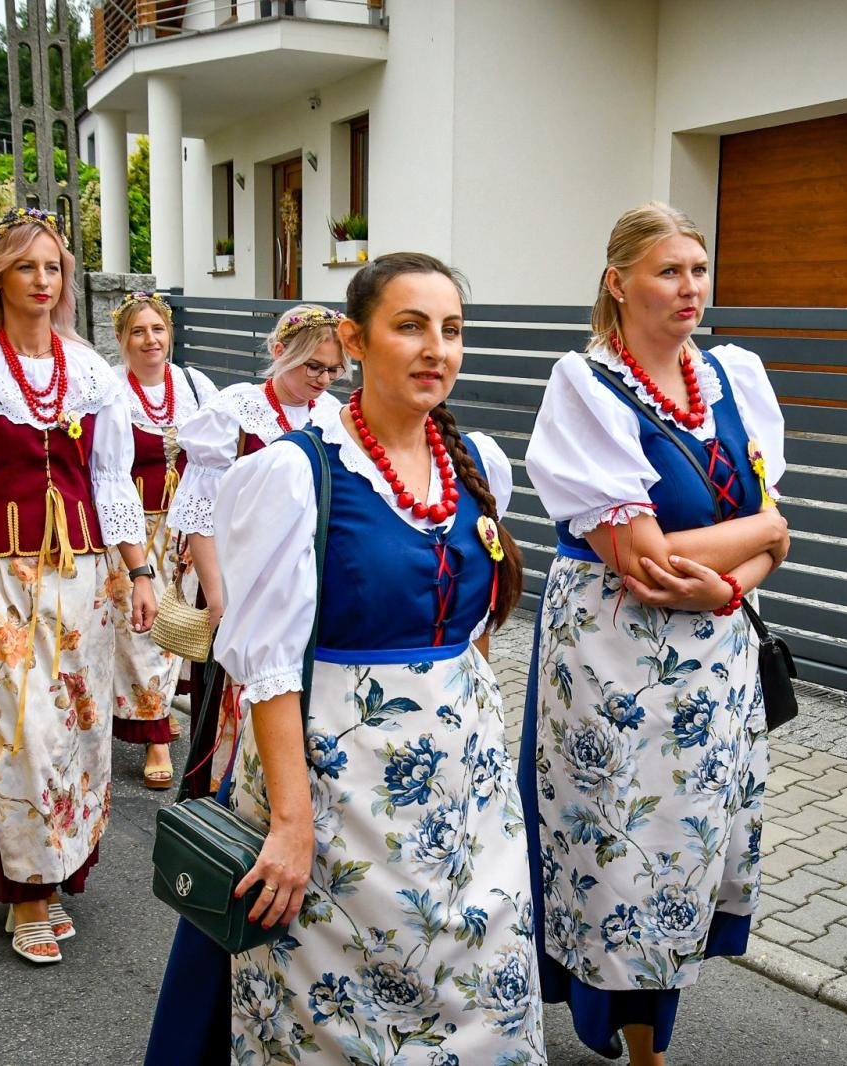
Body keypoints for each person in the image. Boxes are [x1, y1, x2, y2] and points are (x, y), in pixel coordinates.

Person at [206, 251, 546, 1061]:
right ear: (355, 341)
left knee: (481, 993)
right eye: (411, 326)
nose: (438, 348)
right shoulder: (296, 474)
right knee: (341, 1016)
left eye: (452, 330)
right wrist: (288, 825)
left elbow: (477, 625)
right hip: (336, 792)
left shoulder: (477, 465)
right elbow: (267, 666)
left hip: (466, 797)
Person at [519, 202, 790, 1065]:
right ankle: (637, 1041)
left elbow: (777, 530)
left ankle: (647, 1037)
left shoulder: (735, 378)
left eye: (699, 271)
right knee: (621, 852)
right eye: (669, 271)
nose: (690, 288)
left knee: (690, 846)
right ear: (618, 281)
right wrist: (757, 542)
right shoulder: (585, 387)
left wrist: (735, 574)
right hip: (615, 663)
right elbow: (637, 560)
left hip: (716, 656)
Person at [0, 207, 156, 965]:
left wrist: (140, 570)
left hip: (83, 578)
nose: (43, 281)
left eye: (54, 267)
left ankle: (61, 867)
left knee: (79, 726)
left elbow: (111, 480)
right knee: (17, 725)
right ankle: (27, 892)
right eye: (27, 267)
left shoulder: (89, 371)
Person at [166, 303, 346, 795]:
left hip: (304, 583)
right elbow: (201, 516)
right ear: (279, 351)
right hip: (235, 580)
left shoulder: (333, 417)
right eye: (314, 366)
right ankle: (223, 809)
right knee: (230, 705)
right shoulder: (234, 412)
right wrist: (219, 598)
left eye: (334, 369)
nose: (324, 379)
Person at [108, 290, 217, 788]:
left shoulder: (196, 384)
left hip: (188, 528)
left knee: (186, 622)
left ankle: (175, 713)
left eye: (157, 329)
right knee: (141, 628)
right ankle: (154, 734)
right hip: (135, 529)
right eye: (138, 331)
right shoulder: (112, 393)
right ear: (122, 339)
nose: (150, 340)